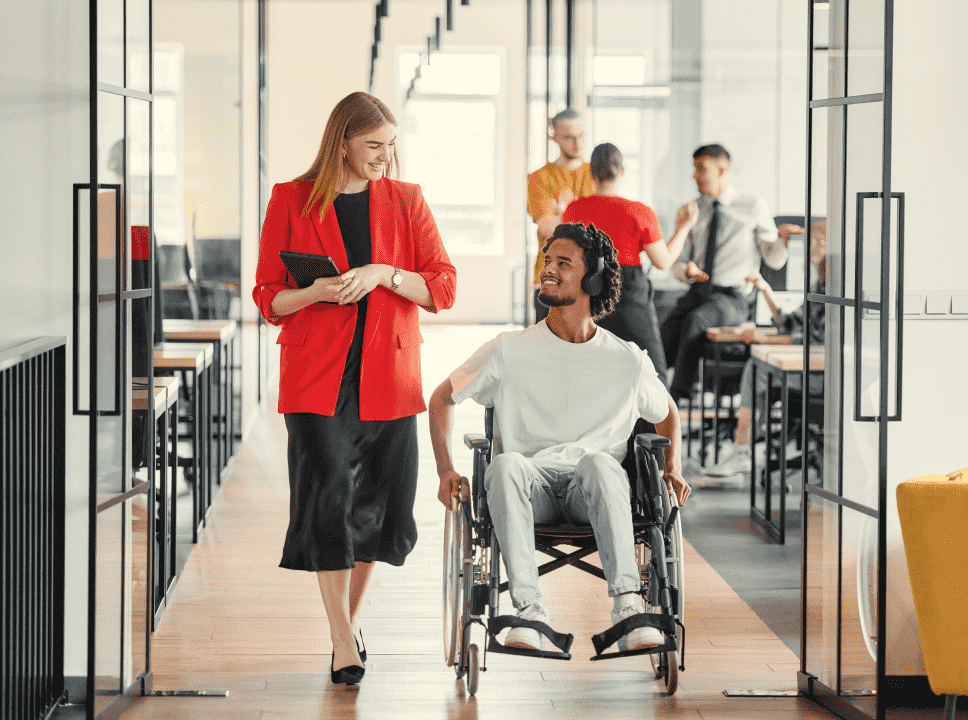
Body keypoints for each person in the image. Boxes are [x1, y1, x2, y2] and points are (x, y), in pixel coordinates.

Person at [252, 92, 457, 685]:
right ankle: (343, 638)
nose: (385, 157)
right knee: (327, 498)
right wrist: (315, 293)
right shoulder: (290, 198)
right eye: (374, 145)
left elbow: (442, 288)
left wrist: (386, 275)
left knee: (375, 505)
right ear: (342, 140)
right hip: (316, 379)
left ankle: (347, 624)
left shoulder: (406, 200)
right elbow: (269, 297)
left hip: (388, 377)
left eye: (391, 145)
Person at [428, 222, 691, 654]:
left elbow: (667, 414)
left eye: (562, 264)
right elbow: (442, 397)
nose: (547, 270)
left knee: (600, 463)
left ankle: (628, 608)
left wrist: (672, 467)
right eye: (547, 261)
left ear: (592, 279)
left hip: (594, 491)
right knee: (506, 463)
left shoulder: (625, 360)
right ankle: (528, 613)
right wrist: (445, 470)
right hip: (530, 489)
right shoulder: (509, 350)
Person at [661, 144, 800, 403]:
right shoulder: (693, 210)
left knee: (695, 322)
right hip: (698, 292)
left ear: (722, 169)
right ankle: (650, 400)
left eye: (701, 169)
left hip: (732, 298)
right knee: (661, 339)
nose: (695, 176)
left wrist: (782, 239)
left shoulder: (752, 206)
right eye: (694, 169)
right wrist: (687, 271)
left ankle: (678, 399)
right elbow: (678, 263)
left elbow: (774, 259)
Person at [562, 143, 699, 379]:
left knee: (590, 375)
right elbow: (663, 261)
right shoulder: (638, 212)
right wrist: (684, 227)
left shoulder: (573, 210)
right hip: (628, 297)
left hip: (586, 299)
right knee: (652, 375)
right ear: (622, 172)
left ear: (591, 173)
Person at [715, 220, 827, 476]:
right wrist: (765, 289)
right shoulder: (819, 284)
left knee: (757, 370)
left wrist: (767, 340)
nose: (811, 247)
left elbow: (816, 341)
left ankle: (743, 450)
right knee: (758, 369)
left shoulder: (835, 287)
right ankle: (744, 447)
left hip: (826, 378)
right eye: (810, 241)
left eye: (819, 241)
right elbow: (792, 324)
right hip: (814, 371)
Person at [527, 109, 595, 322]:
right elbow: (547, 228)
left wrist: (563, 212)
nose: (578, 143)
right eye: (569, 137)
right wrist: (584, 218)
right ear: (553, 136)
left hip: (589, 279)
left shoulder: (595, 173)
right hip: (549, 279)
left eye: (582, 135)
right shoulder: (539, 178)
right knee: (545, 352)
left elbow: (603, 226)